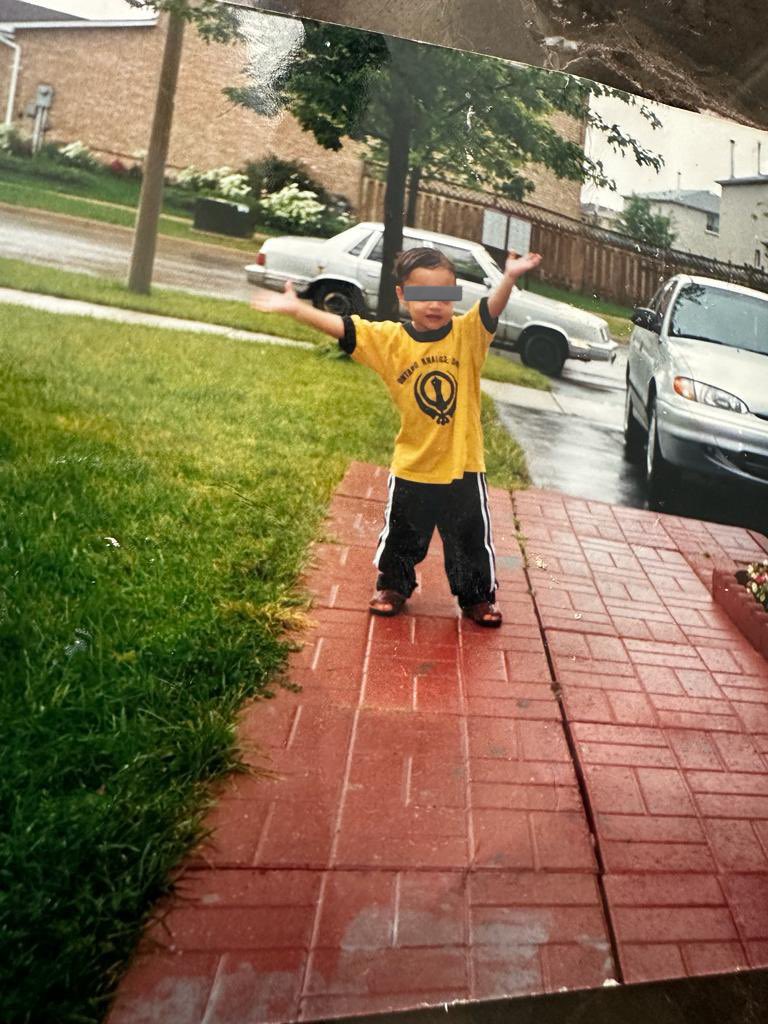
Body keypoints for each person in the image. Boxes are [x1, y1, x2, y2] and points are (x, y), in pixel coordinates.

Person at [250, 244, 542, 626]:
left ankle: (476, 599)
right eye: (422, 295)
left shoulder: (466, 335)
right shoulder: (390, 341)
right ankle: (393, 587)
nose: (434, 305)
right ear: (403, 296)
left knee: (469, 540)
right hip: (413, 465)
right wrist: (297, 309)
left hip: (462, 464)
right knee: (402, 537)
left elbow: (493, 307)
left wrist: (509, 277)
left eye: (443, 295)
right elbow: (346, 328)